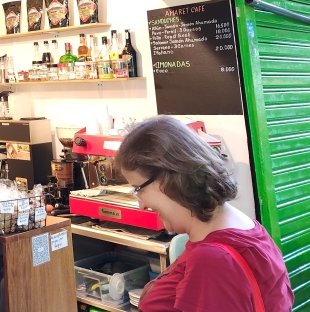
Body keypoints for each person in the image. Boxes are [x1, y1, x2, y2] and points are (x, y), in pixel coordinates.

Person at [116, 116, 293, 312]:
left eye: (138, 189)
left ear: (167, 178)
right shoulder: (245, 227)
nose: (141, 205)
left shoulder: (212, 261)